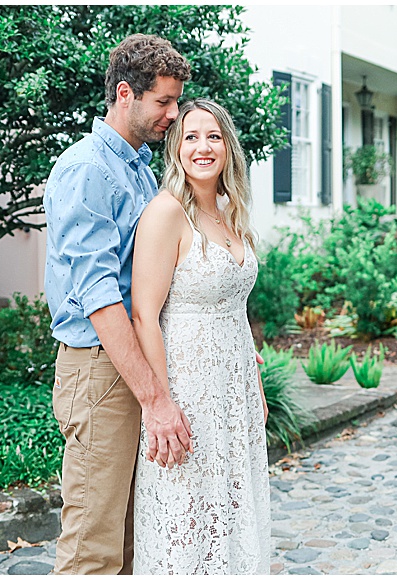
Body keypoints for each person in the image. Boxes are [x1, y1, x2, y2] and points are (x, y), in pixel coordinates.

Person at [43, 34, 193, 575]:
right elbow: (99, 295)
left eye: (177, 102)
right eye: (164, 102)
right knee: (94, 544)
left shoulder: (139, 167)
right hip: (100, 369)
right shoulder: (88, 168)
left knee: (133, 537)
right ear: (125, 94)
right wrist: (155, 399)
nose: (174, 115)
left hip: (129, 361)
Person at [130, 99, 271, 574]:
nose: (202, 147)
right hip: (188, 389)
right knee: (186, 515)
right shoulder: (166, 213)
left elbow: (237, 307)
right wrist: (161, 404)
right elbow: (144, 316)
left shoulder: (232, 214)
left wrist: (256, 383)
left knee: (231, 510)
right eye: (190, 137)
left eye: (212, 136)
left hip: (235, 391)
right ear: (176, 148)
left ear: (228, 147)